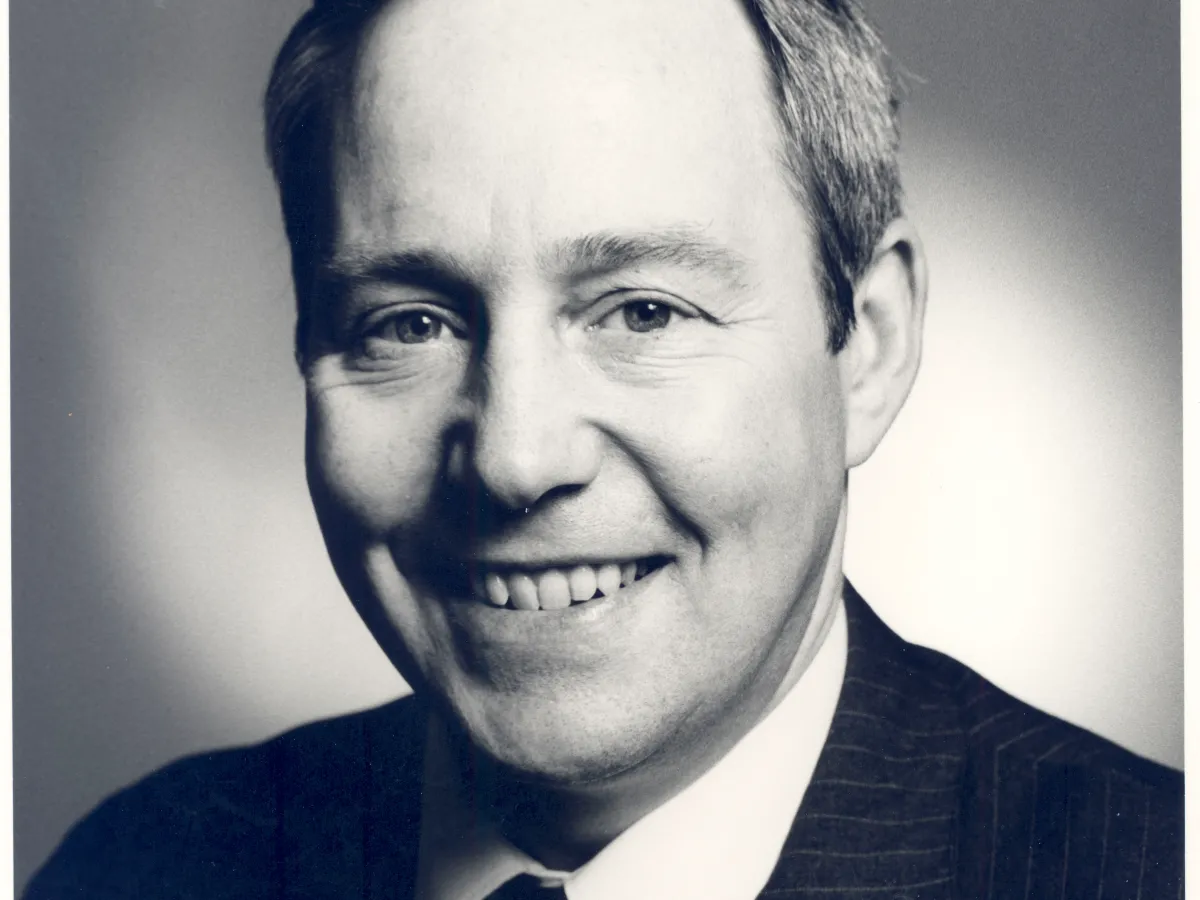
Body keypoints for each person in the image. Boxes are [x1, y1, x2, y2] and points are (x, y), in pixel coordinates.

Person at [25, 0, 1183, 897]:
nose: (515, 459)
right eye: (410, 324)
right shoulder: (142, 867)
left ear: (868, 345)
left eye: (643, 311)